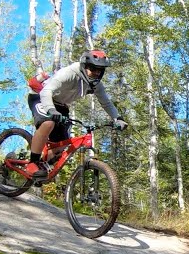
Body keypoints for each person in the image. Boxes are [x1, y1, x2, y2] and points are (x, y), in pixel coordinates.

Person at [24, 49, 128, 179]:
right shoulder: (68, 73)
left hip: (61, 105)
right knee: (48, 123)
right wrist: (51, 110)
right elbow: (46, 92)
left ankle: (42, 167)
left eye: (100, 70)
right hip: (41, 96)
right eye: (93, 68)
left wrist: (117, 118)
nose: (96, 73)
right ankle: (32, 163)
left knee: (62, 144)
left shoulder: (96, 84)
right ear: (84, 66)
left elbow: (106, 103)